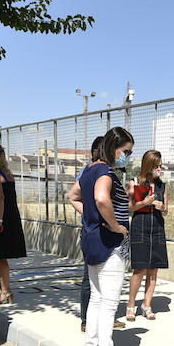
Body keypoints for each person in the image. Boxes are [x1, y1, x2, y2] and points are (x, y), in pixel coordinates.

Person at [70, 126, 134, 346]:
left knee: (96, 298)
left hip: (91, 240)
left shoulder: (89, 170)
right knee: (109, 302)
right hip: (109, 244)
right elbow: (100, 199)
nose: (127, 156)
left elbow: (73, 196)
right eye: (126, 151)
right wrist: (116, 226)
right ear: (114, 147)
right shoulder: (106, 172)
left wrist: (92, 219)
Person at [70, 136, 122, 332]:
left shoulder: (95, 171)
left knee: (98, 288)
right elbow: (98, 199)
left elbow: (73, 197)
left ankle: (94, 330)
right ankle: (88, 324)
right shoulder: (97, 171)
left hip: (94, 232)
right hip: (99, 234)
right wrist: (112, 223)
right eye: (121, 150)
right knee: (94, 285)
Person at [126, 149, 167, 320]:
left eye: (160, 166)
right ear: (148, 165)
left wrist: (162, 207)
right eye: (156, 166)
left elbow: (166, 210)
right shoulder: (134, 182)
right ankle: (131, 305)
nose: (159, 169)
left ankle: (147, 304)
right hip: (140, 227)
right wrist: (143, 202)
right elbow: (128, 208)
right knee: (140, 268)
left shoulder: (162, 185)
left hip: (157, 227)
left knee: (154, 269)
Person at [0, 142, 27, 304]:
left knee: (0, 255)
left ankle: (6, 291)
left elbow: (0, 198)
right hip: (12, 216)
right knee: (0, 255)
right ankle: (1, 288)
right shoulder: (8, 173)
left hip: (1, 217)